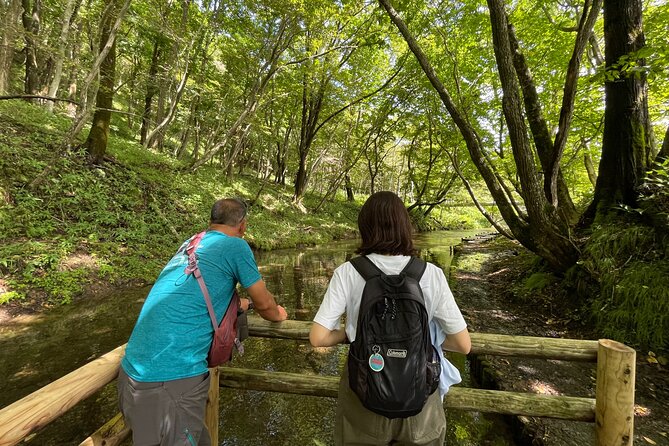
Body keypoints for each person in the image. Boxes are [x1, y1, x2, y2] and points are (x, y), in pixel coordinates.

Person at [118, 198, 287, 446]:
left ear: (211, 222)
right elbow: (265, 304)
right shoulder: (236, 247)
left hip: (132, 374)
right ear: (242, 226)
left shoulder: (191, 244)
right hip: (171, 380)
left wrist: (245, 305)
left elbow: (199, 298)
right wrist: (279, 315)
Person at [309, 191, 471, 446]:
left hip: (364, 391)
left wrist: (352, 333)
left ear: (365, 227)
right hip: (419, 395)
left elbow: (318, 338)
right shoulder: (431, 274)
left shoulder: (348, 272)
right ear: (405, 227)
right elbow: (463, 344)